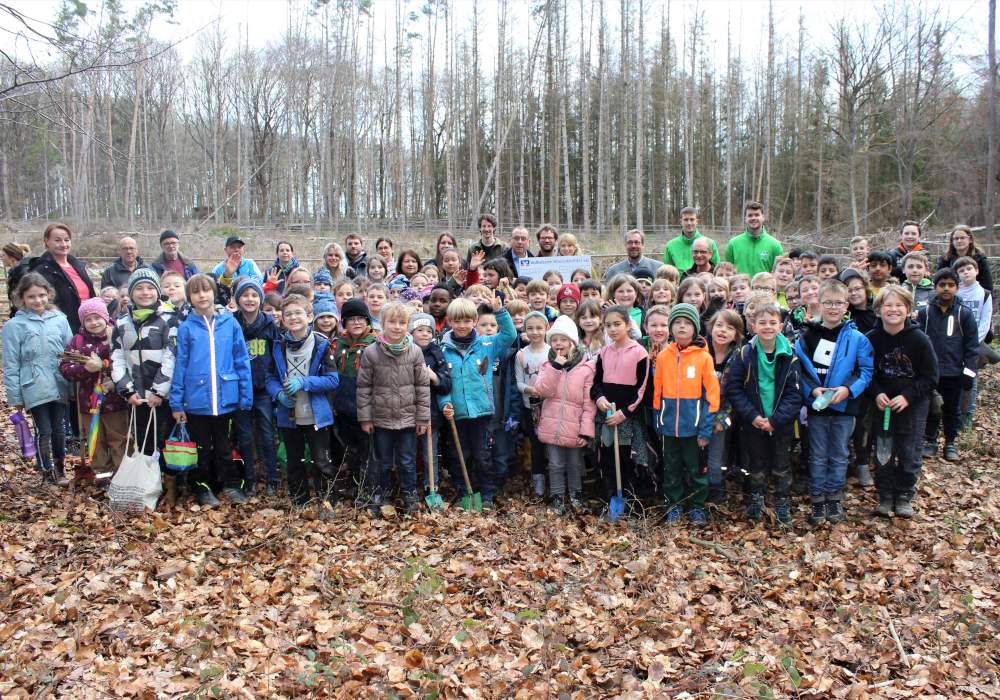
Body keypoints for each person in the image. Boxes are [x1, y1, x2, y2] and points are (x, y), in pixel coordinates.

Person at [795, 279, 873, 526]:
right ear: (818, 304)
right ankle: (817, 499)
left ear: (846, 306)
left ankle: (834, 498)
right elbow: (800, 369)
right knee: (817, 453)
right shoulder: (807, 336)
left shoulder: (857, 338)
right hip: (816, 406)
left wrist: (847, 389)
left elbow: (864, 370)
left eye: (838, 303)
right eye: (827, 302)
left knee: (839, 453)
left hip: (844, 406)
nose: (832, 307)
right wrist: (813, 390)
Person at [170, 274, 253, 507]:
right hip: (196, 400)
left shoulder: (230, 323)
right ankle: (202, 487)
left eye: (206, 290)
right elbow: (181, 366)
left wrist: (245, 395)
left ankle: (232, 484)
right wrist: (177, 403)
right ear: (189, 298)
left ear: (214, 293)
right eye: (196, 292)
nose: (202, 295)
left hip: (226, 398)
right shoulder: (186, 328)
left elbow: (241, 360)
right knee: (201, 448)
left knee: (225, 446)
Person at [726, 304, 804, 525]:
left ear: (780, 326)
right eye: (762, 322)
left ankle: (781, 501)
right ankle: (756, 500)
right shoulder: (745, 353)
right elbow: (734, 389)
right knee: (756, 465)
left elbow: (795, 395)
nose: (767, 327)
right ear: (753, 326)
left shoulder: (791, 356)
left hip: (782, 425)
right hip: (754, 423)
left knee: (781, 465)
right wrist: (752, 416)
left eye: (772, 322)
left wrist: (776, 420)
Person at [866, 286, 939, 519]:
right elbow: (866, 374)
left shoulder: (919, 339)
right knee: (883, 453)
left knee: (910, 452)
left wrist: (908, 396)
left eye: (899, 305)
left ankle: (904, 496)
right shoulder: (871, 339)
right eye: (888, 305)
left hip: (913, 407)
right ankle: (886, 496)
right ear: (878, 310)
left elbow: (931, 377)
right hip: (883, 408)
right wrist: (876, 393)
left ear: (908, 310)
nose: (893, 309)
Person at [439, 294, 516, 510]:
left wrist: (500, 312)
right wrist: (444, 403)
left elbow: (509, 335)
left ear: (474, 321)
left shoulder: (487, 343)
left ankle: (487, 495)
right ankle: (465, 494)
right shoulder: (443, 351)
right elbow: (441, 382)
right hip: (457, 414)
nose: (462, 325)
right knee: (460, 456)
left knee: (483, 456)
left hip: (481, 412)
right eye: (457, 321)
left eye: (466, 321)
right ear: (449, 322)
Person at [266, 294, 340, 509]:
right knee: (293, 461)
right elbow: (270, 378)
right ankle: (299, 502)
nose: (293, 317)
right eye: (288, 314)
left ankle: (327, 503)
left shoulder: (320, 344)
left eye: (298, 312)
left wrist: (304, 383)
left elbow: (332, 379)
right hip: (289, 416)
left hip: (316, 414)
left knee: (321, 461)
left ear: (309, 317)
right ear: (282, 320)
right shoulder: (279, 346)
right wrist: (278, 395)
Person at [356, 301, 430, 515]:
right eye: (392, 322)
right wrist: (365, 418)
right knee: (383, 460)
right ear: (383, 323)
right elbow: (364, 388)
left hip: (408, 418)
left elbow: (422, 387)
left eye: (402, 323)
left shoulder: (415, 352)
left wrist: (422, 418)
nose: (397, 327)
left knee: (407, 459)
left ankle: (409, 494)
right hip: (381, 418)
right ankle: (383, 493)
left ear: (408, 325)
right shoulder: (371, 353)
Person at [651, 303, 720, 524]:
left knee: (697, 471)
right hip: (669, 427)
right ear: (671, 327)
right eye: (677, 322)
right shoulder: (663, 356)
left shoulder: (703, 357)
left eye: (687, 323)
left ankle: (698, 507)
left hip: (695, 428)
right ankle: (673, 506)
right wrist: (658, 423)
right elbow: (657, 393)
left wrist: (705, 429)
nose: (682, 326)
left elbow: (712, 397)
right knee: (671, 470)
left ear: (695, 328)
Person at [110, 269, 176, 496]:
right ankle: (147, 485)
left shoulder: (168, 319)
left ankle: (170, 486)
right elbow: (117, 357)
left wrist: (159, 390)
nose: (145, 293)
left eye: (150, 288)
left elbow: (171, 356)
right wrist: (127, 391)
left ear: (157, 292)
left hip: (161, 396)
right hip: (137, 396)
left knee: (166, 439)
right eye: (139, 288)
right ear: (130, 293)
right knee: (144, 440)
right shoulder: (121, 322)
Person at [3, 273, 73, 486]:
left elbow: (69, 354)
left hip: (58, 382)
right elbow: (11, 363)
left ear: (49, 295)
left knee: (60, 428)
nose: (38, 300)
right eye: (31, 296)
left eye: (42, 295)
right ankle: (46, 472)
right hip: (33, 385)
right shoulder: (14, 326)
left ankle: (60, 468)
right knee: (44, 430)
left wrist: (71, 386)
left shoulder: (60, 320)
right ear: (22, 298)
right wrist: (14, 395)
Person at [58, 297, 129, 483]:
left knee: (118, 439)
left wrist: (115, 380)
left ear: (105, 317)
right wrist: (84, 369)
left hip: (115, 403)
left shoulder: (115, 335)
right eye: (88, 319)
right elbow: (65, 367)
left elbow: (126, 363)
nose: (93, 323)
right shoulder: (78, 341)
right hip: (89, 403)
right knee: (96, 442)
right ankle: (103, 477)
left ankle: (121, 478)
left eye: (97, 317)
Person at [533, 315, 597, 514]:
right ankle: (558, 497)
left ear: (572, 342)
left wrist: (585, 431)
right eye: (554, 340)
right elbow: (542, 390)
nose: (558, 344)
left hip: (575, 427)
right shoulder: (547, 364)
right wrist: (556, 367)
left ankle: (576, 495)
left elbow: (589, 403)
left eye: (563, 340)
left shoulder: (586, 369)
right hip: (552, 425)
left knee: (575, 464)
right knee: (555, 463)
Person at [591, 305, 651, 506]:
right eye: (608, 325)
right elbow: (596, 383)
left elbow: (641, 390)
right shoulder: (604, 353)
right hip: (607, 417)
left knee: (627, 460)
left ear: (628, 325)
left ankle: (631, 503)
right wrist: (599, 399)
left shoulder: (640, 353)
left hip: (627, 417)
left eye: (617, 324)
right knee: (607, 459)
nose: (613, 329)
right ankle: (611, 501)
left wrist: (624, 412)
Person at [919, 268, 979, 461]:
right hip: (931, 373)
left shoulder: (964, 314)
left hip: (954, 372)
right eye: (942, 285)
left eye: (951, 285)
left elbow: (972, 346)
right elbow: (918, 343)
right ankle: (931, 440)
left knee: (952, 409)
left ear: (957, 288)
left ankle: (951, 442)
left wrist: (969, 372)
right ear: (935, 287)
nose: (946, 289)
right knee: (932, 407)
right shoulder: (925, 313)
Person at [233, 277, 282, 498]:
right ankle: (249, 479)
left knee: (266, 436)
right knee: (244, 436)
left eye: (254, 295)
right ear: (237, 299)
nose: (250, 299)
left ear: (260, 299)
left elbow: (278, 357)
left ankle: (272, 478)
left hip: (263, 390)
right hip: (239, 391)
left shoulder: (270, 324)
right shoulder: (232, 324)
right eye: (245, 295)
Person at [331, 298, 379, 499]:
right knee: (351, 451)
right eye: (351, 319)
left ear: (368, 321)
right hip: (343, 409)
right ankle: (356, 485)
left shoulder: (376, 344)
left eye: (361, 318)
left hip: (367, 410)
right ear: (344, 323)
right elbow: (332, 377)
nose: (356, 323)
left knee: (370, 453)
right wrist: (333, 402)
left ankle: (369, 489)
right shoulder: (337, 345)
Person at [476, 302, 520, 500]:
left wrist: (513, 414)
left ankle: (501, 484)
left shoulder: (505, 354)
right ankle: (485, 487)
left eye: (493, 325)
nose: (488, 329)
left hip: (500, 417)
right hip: (479, 417)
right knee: (481, 454)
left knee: (501, 455)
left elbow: (512, 388)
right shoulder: (473, 351)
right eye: (483, 325)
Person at [409, 313, 452, 495]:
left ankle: (431, 485)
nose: (425, 334)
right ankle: (410, 486)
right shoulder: (405, 352)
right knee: (408, 452)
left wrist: (435, 377)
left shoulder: (437, 354)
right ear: (411, 332)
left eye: (429, 331)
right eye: (420, 330)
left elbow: (446, 385)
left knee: (430, 453)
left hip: (431, 413)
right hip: (408, 411)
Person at [27, 223, 96, 335]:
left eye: (67, 240)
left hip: (88, 328)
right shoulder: (41, 271)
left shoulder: (77, 266)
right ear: (47, 241)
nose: (63, 244)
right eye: (57, 240)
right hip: (62, 331)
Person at [705, 309, 743, 505]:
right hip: (696, 413)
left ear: (736, 335)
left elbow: (735, 394)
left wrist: (722, 420)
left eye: (730, 328)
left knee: (716, 457)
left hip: (721, 414)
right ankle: (692, 494)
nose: (723, 331)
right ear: (711, 327)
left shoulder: (738, 357)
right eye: (719, 325)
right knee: (694, 456)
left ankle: (716, 496)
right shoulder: (700, 350)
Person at [955, 256, 993, 425]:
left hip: (975, 344)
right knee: (955, 377)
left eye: (969, 269)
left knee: (971, 378)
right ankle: (954, 413)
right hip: (955, 343)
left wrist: (974, 342)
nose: (966, 273)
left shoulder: (985, 293)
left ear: (977, 271)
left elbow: (986, 320)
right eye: (961, 271)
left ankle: (968, 415)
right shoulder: (955, 292)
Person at [517, 311, 551, 496]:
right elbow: (519, 382)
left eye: (539, 327)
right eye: (530, 328)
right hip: (531, 408)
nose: (535, 332)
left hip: (551, 407)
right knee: (536, 444)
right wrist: (531, 390)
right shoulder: (522, 354)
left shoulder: (553, 351)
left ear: (547, 328)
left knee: (552, 445)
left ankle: (555, 479)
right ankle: (537, 478)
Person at [724, 201, 785, 277]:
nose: (753, 218)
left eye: (757, 215)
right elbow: (727, 272)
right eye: (750, 215)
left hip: (764, 288)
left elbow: (780, 272)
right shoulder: (733, 244)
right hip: (740, 288)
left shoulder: (775, 245)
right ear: (745, 218)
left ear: (763, 217)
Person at [937, 225, 993, 291]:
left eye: (963, 238)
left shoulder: (980, 259)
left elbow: (987, 284)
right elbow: (939, 281)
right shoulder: (946, 259)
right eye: (956, 238)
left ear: (970, 239)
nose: (959, 241)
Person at [663, 207, 721, 271]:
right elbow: (667, 271)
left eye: (692, 220)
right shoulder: (671, 245)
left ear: (697, 221)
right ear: (681, 221)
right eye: (686, 220)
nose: (689, 223)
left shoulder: (710, 243)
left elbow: (716, 269)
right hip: (679, 280)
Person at [900, 251, 933, 316]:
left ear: (926, 270)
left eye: (919, 267)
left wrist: (920, 315)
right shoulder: (900, 291)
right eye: (910, 267)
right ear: (903, 269)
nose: (915, 270)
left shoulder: (933, 291)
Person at [3, 242, 31, 318]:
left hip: (25, 316)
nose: (2, 258)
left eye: (4, 255)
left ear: (12, 257)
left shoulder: (23, 273)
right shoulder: (15, 272)